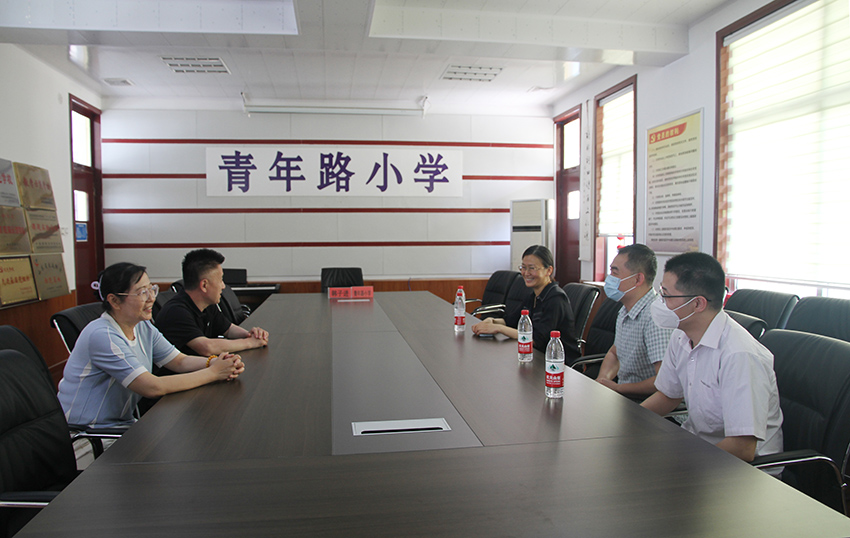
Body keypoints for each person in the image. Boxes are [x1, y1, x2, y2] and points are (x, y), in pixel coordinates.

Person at [58, 262, 245, 428]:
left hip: (121, 426)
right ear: (114, 300)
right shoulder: (103, 335)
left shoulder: (142, 326)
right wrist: (213, 373)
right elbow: (153, 387)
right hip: (88, 435)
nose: (151, 298)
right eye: (142, 292)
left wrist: (215, 362)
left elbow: (179, 361)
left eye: (151, 289)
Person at [641, 251, 783, 463]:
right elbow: (668, 396)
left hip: (741, 469)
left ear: (698, 304)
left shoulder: (739, 355)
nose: (660, 302)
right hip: (698, 449)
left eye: (667, 296)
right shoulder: (681, 335)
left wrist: (684, 464)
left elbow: (742, 448)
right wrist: (629, 423)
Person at [156, 249, 269, 356]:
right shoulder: (176, 312)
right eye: (220, 280)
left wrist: (251, 335)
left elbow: (229, 329)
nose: (223, 286)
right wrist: (250, 343)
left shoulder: (206, 305)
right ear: (204, 285)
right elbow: (207, 347)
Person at [595, 244, 673, 398]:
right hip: (624, 396)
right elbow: (614, 353)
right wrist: (602, 381)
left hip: (645, 403)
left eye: (615, 273)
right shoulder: (625, 310)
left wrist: (619, 388)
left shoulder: (655, 317)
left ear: (637, 279)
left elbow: (664, 380)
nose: (609, 278)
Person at [472, 245, 575, 351]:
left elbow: (536, 340)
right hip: (535, 354)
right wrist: (491, 321)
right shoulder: (533, 296)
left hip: (557, 358)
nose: (526, 273)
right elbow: (511, 321)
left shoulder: (556, 299)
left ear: (549, 270)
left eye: (532, 268)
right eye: (523, 268)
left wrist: (498, 328)